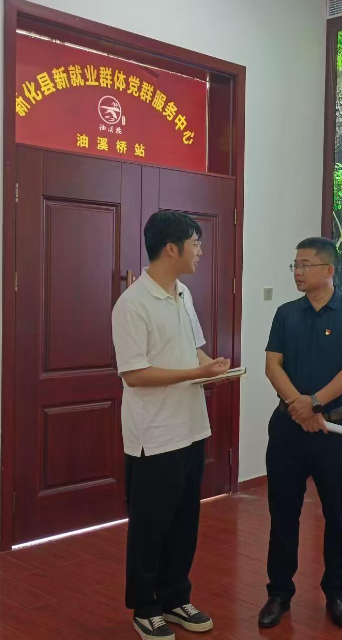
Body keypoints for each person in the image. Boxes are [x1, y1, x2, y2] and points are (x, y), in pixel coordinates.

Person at [111, 210, 230, 640]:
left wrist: (213, 366)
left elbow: (194, 350)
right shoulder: (132, 304)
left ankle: (176, 597)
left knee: (184, 522)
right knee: (151, 526)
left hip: (191, 427)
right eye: (195, 244)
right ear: (171, 248)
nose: (200, 251)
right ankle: (146, 607)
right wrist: (195, 374)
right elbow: (134, 374)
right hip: (154, 436)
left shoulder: (183, 293)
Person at [259, 237, 342, 629]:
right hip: (288, 429)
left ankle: (337, 594)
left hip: (335, 430)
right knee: (283, 513)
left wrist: (315, 403)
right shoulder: (286, 314)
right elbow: (272, 366)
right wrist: (300, 406)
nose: (298, 271)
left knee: (337, 515)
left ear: (328, 270)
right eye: (295, 265)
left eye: (305, 264)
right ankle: (278, 592)